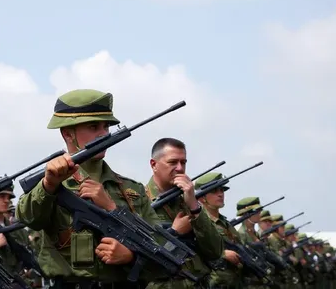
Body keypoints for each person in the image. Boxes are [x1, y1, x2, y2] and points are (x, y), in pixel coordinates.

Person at [16, 88, 165, 287]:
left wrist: (131, 256)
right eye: (94, 127)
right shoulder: (53, 185)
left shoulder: (133, 190)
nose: (104, 134)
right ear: (68, 133)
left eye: (106, 127)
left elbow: (164, 252)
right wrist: (49, 185)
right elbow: (28, 218)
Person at [145, 137, 224, 289]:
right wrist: (174, 233)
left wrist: (194, 205)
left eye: (183, 162)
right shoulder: (140, 200)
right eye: (173, 162)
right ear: (154, 165)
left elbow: (216, 251)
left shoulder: (188, 201)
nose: (180, 168)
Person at [194, 172, 244, 289]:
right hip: (213, 283)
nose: (220, 194)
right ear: (202, 197)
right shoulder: (199, 223)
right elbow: (194, 250)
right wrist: (222, 254)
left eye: (222, 190)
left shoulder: (225, 223)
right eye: (214, 191)